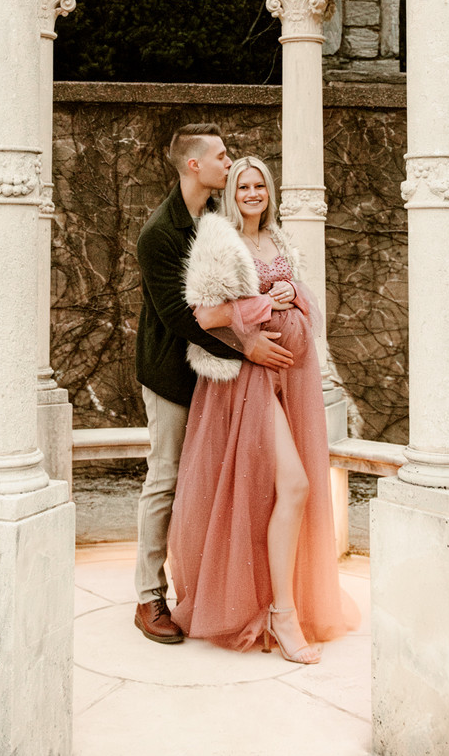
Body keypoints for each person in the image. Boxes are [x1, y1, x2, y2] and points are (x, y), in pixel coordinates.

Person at [167, 155, 357, 660]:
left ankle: (279, 602)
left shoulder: (277, 239)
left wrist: (293, 290)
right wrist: (266, 303)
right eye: (243, 186)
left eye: (260, 186)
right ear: (231, 193)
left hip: (291, 376)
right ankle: (282, 614)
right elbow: (205, 314)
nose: (253, 193)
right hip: (246, 378)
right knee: (294, 486)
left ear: (269, 192)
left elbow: (304, 303)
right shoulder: (218, 240)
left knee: (277, 492)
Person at [133, 126, 295, 645]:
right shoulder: (159, 234)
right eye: (221, 157)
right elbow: (180, 317)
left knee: (215, 485)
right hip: (172, 374)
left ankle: (205, 592)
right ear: (193, 165)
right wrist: (248, 349)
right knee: (166, 479)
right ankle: (148, 596)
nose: (229, 163)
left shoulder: (215, 217)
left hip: (221, 376)